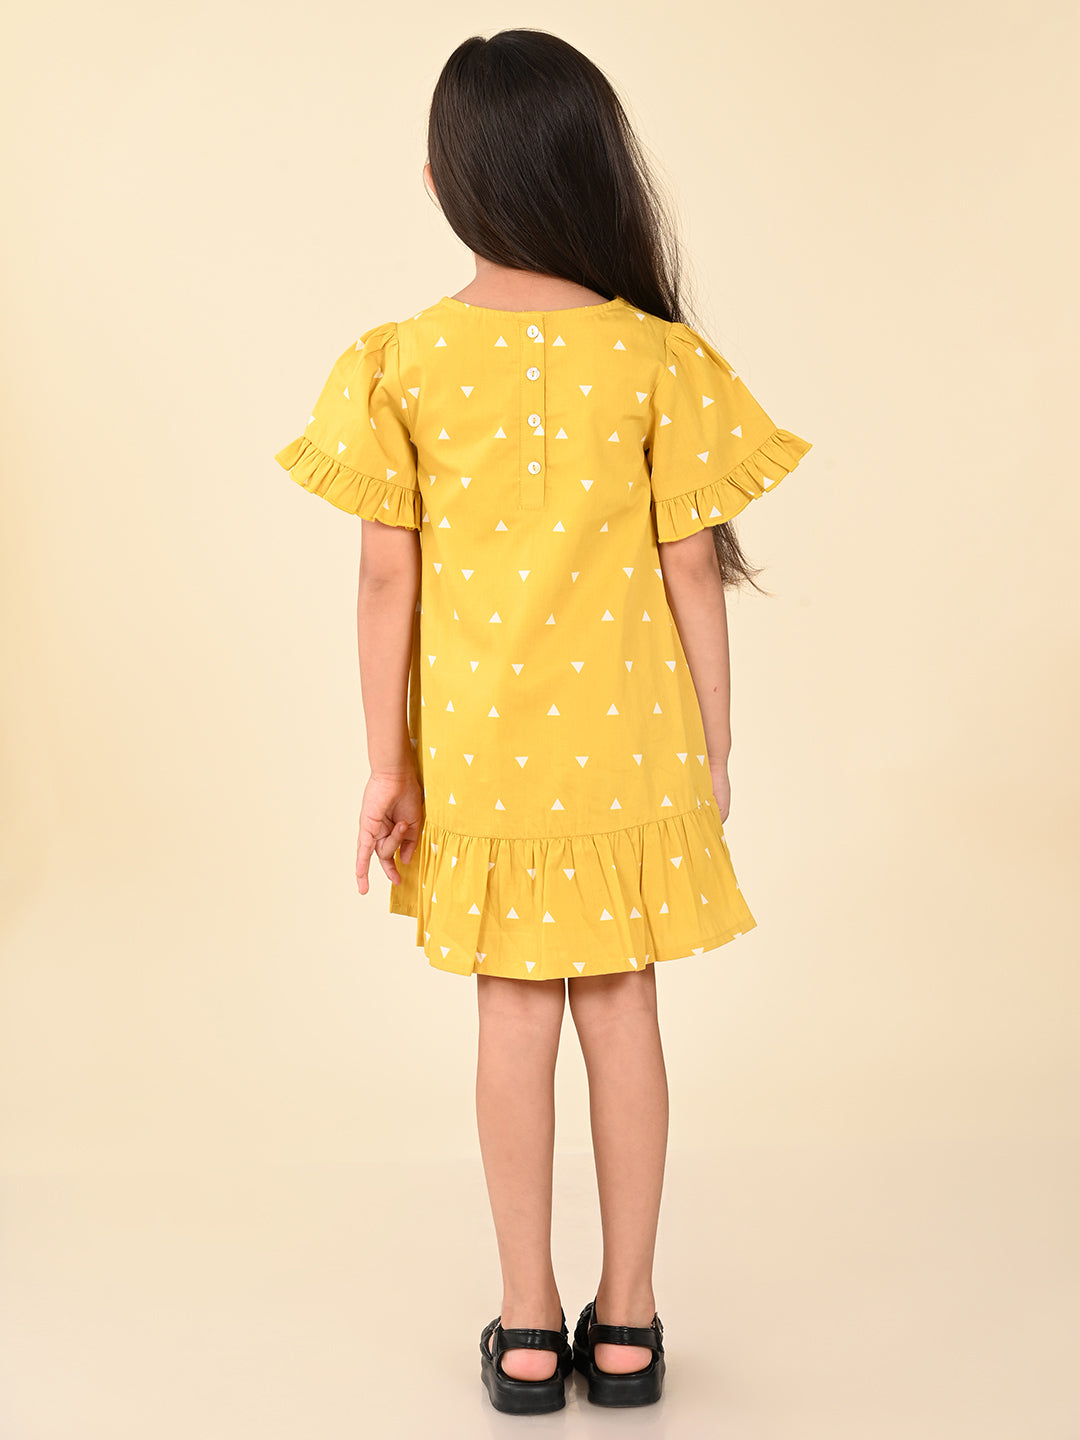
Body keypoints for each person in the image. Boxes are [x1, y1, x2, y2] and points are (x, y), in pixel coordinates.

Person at [273, 27, 812, 1415]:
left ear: (445, 178)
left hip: (485, 752)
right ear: (591, 169)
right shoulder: (656, 359)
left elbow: (385, 579)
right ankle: (626, 1326)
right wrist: (714, 746)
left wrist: (384, 764)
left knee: (512, 1013)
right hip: (630, 749)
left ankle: (526, 1327)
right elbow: (693, 570)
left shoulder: (400, 363)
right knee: (623, 1007)